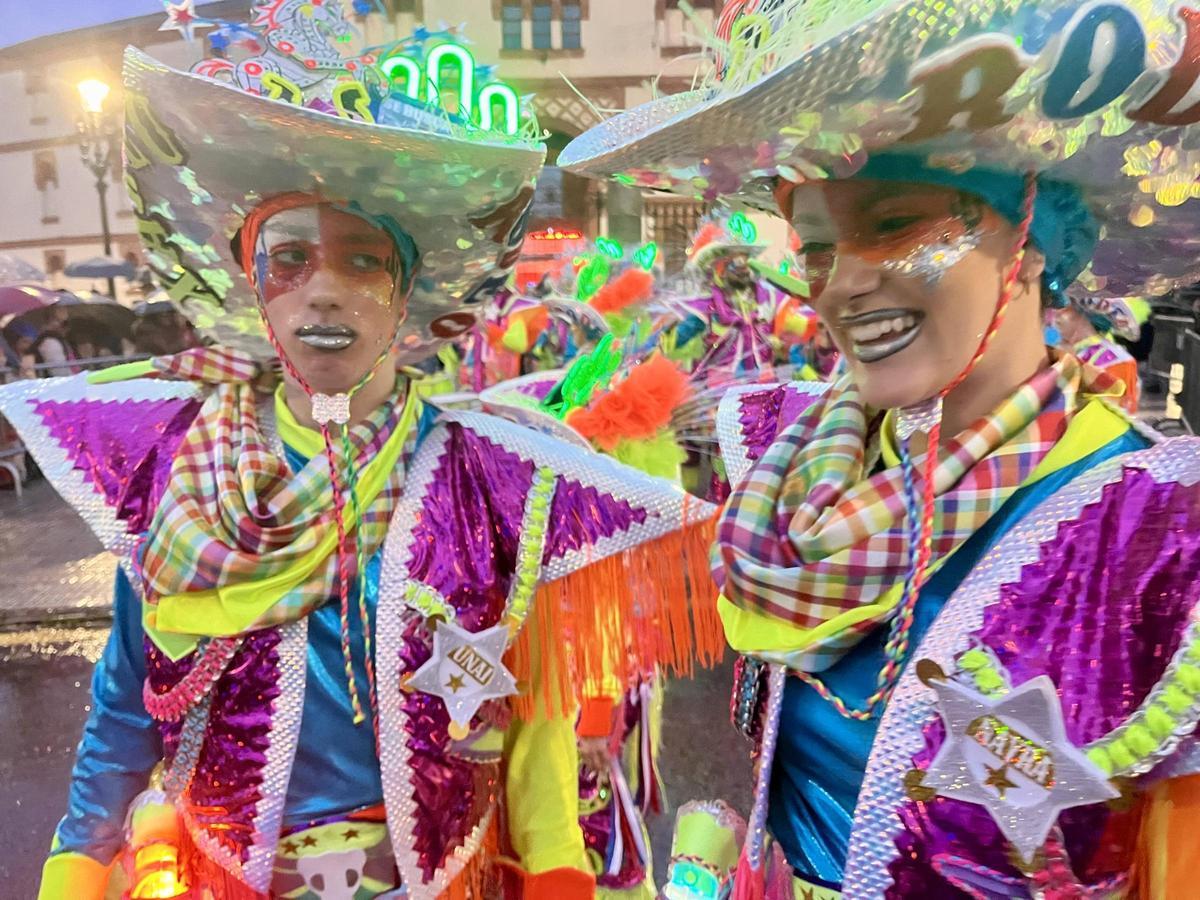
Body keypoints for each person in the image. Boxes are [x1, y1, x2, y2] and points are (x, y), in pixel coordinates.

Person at [1, 9, 721, 899]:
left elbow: (534, 720)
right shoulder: (170, 469)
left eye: (364, 261)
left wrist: (557, 870)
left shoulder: (491, 476)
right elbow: (123, 706)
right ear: (252, 284)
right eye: (289, 260)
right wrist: (76, 861)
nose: (324, 295)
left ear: (407, 291)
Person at [563, 0, 1200, 895]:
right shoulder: (785, 468)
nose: (844, 286)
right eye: (818, 248)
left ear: (1031, 241)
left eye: (895, 223)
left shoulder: (1162, 531)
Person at [1054, 298, 1142, 413]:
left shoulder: (1117, 360)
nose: (1056, 315)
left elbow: (1118, 412)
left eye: (1064, 308)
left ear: (1084, 315)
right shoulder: (1057, 349)